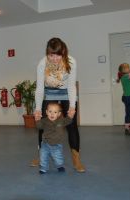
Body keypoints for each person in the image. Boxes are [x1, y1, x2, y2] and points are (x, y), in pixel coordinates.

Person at [34, 37, 85, 172]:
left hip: (67, 94)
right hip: (49, 94)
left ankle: (76, 157)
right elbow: (39, 88)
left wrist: (72, 106)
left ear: (63, 52)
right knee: (43, 124)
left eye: (58, 55)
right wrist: (38, 109)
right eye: (51, 55)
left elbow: (71, 86)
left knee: (72, 125)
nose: (55, 58)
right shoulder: (42, 64)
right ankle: (41, 155)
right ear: (47, 53)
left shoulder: (71, 62)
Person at [36, 102, 72, 174]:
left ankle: (60, 166)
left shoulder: (61, 121)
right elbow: (39, 126)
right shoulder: (44, 121)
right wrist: (38, 119)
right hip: (45, 143)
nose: (52, 114)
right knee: (43, 156)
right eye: (50, 111)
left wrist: (70, 116)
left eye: (55, 112)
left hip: (57, 144)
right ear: (46, 112)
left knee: (58, 157)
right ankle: (43, 168)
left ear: (59, 114)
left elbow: (68, 121)